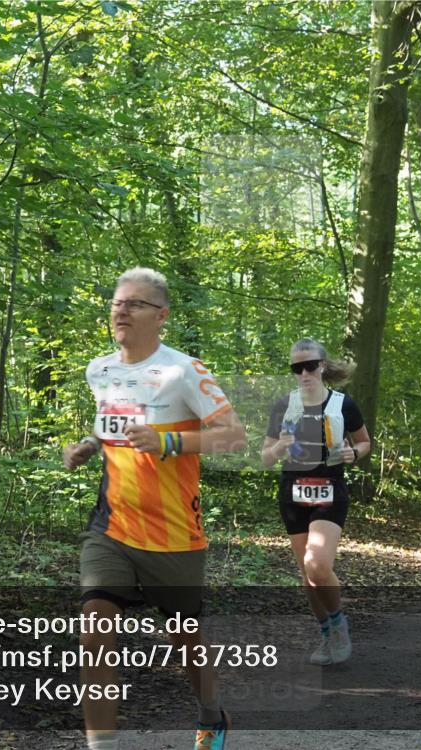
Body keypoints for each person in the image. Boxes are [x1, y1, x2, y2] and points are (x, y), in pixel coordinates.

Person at [63, 267, 247, 750]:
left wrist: (169, 441)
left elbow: (234, 437)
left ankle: (212, 712)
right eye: (117, 302)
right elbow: (116, 427)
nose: (120, 310)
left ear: (161, 316)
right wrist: (88, 444)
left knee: (185, 641)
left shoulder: (185, 370)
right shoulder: (99, 369)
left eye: (134, 304)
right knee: (94, 628)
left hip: (173, 535)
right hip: (112, 526)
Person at [260, 338, 370, 665]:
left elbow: (365, 443)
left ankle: (339, 624)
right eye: (297, 368)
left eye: (310, 366)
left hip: (329, 489)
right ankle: (326, 635)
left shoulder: (343, 404)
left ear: (322, 365)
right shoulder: (284, 405)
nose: (304, 373)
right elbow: (265, 457)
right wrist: (279, 448)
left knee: (317, 564)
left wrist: (354, 453)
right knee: (306, 574)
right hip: (293, 491)